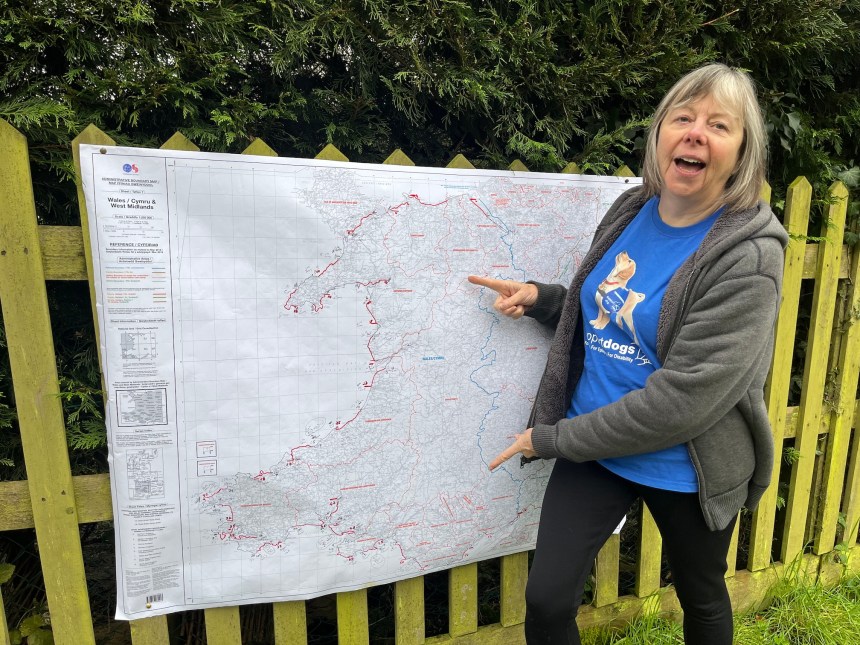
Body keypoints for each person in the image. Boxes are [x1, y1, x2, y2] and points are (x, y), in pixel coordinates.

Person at [468, 63, 787, 645]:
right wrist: (546, 300)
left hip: (685, 462)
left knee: (702, 596)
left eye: (719, 125)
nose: (695, 133)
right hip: (599, 447)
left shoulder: (749, 257)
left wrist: (552, 438)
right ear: (660, 133)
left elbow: (681, 401)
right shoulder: (631, 209)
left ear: (742, 152)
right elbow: (615, 309)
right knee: (545, 600)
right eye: (682, 117)